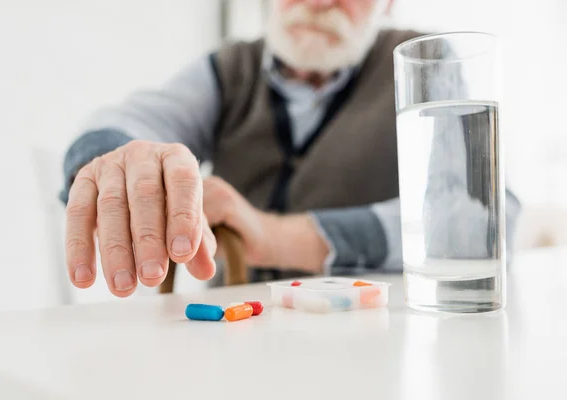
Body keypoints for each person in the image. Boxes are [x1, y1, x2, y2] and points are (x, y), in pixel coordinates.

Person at [61, 0, 520, 298]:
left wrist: (273, 237)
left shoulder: (423, 60)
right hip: (235, 337)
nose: (320, 2)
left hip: (379, 336)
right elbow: (128, 121)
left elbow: (484, 215)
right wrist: (119, 160)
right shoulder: (229, 68)